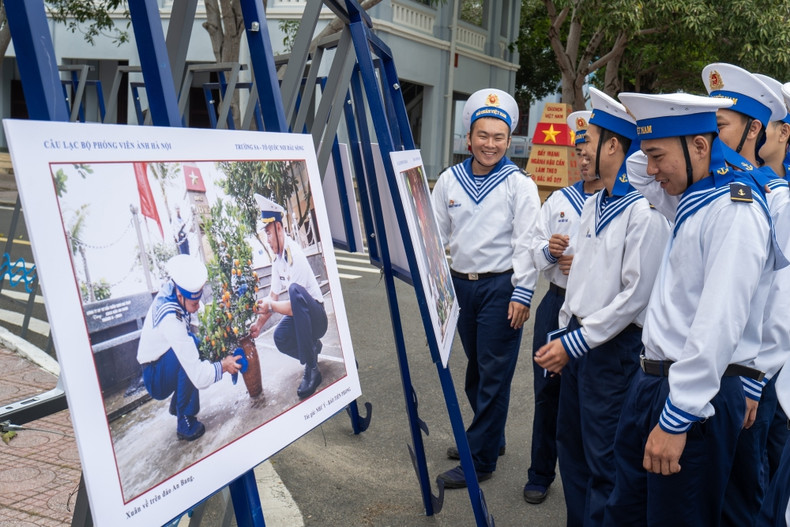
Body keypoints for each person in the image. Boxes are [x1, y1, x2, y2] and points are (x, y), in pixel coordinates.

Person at [606, 91, 774, 526]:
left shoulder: (734, 208)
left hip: (694, 395)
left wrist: (678, 417)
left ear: (701, 146)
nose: (652, 167)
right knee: (627, 512)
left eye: (659, 155)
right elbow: (637, 170)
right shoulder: (694, 194)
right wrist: (651, 128)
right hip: (655, 383)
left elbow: (719, 322)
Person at [534, 87, 670, 527]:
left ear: (613, 145)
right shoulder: (594, 203)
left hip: (611, 352)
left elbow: (634, 298)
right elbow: (581, 283)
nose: (581, 149)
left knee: (605, 463)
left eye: (588, 140)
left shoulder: (644, 214)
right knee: (572, 452)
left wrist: (576, 342)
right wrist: (562, 334)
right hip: (577, 344)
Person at [431, 88, 540, 489]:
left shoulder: (519, 184)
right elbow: (435, 238)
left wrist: (523, 292)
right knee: (477, 372)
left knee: (494, 374)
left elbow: (527, 242)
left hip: (501, 288)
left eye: (498, 137)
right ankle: (489, 438)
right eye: (483, 135)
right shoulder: (448, 181)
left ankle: (480, 460)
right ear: (469, 138)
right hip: (462, 288)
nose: (490, 144)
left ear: (509, 140)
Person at [701, 63, 790, 527]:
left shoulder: (776, 198)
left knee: (742, 491)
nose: (708, 137)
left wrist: (755, 376)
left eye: (718, 127)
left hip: (752, 371)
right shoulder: (713, 187)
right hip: (708, 364)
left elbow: (780, 298)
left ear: (754, 130)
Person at [523, 110, 603, 505]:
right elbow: (532, 251)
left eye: (588, 149)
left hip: (595, 315)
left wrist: (586, 264)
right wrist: (549, 252)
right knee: (548, 394)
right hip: (556, 304)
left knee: (590, 401)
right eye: (578, 150)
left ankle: (589, 478)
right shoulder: (560, 199)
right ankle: (540, 472)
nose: (582, 158)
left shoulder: (627, 204)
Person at [137, 254, 242, 441]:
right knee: (191, 349)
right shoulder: (170, 318)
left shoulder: (179, 291)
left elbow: (201, 314)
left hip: (162, 362)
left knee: (197, 343)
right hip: (155, 376)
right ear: (180, 296)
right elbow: (200, 377)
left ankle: (179, 404)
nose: (195, 307)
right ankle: (185, 420)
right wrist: (223, 366)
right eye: (193, 303)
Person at [249, 194, 328, 400]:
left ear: (279, 227)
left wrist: (271, 305)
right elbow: (273, 296)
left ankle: (312, 369)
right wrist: (258, 325)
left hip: (318, 318)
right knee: (280, 337)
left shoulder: (295, 255)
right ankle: (312, 350)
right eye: (265, 234)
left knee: (293, 290)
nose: (268, 240)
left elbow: (294, 306)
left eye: (269, 233)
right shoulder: (277, 260)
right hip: (303, 317)